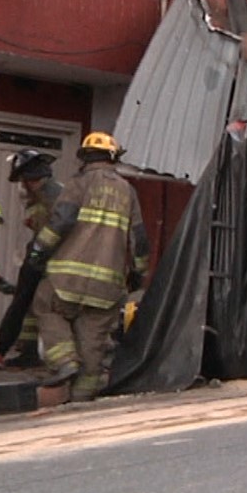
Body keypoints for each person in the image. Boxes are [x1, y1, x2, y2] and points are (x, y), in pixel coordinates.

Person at [27, 132, 149, 402]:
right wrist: (139, 275)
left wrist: (38, 251)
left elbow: (61, 220)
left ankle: (65, 361)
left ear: (83, 158)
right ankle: (81, 403)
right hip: (106, 286)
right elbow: (139, 240)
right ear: (114, 158)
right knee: (92, 345)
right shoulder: (128, 191)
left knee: (45, 307)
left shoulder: (77, 184)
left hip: (65, 282)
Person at [0, 149, 63, 369]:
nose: (22, 187)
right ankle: (28, 352)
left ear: (31, 179)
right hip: (45, 255)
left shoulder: (51, 196)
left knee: (24, 303)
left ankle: (1, 353)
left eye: (23, 181)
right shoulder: (52, 193)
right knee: (29, 306)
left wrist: (36, 254)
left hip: (47, 257)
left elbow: (53, 230)